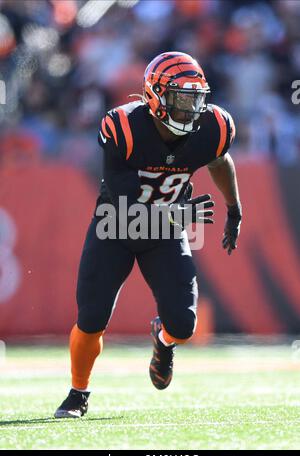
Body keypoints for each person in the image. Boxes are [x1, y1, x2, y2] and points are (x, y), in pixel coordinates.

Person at [54, 51, 242, 418]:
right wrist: (177, 212)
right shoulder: (122, 127)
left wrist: (234, 208)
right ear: (156, 96)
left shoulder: (215, 127)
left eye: (196, 98)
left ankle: (163, 339)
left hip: (166, 232)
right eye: (182, 98)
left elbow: (219, 158)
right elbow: (124, 201)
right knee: (91, 318)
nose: (192, 108)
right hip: (116, 227)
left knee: (184, 325)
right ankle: (78, 392)